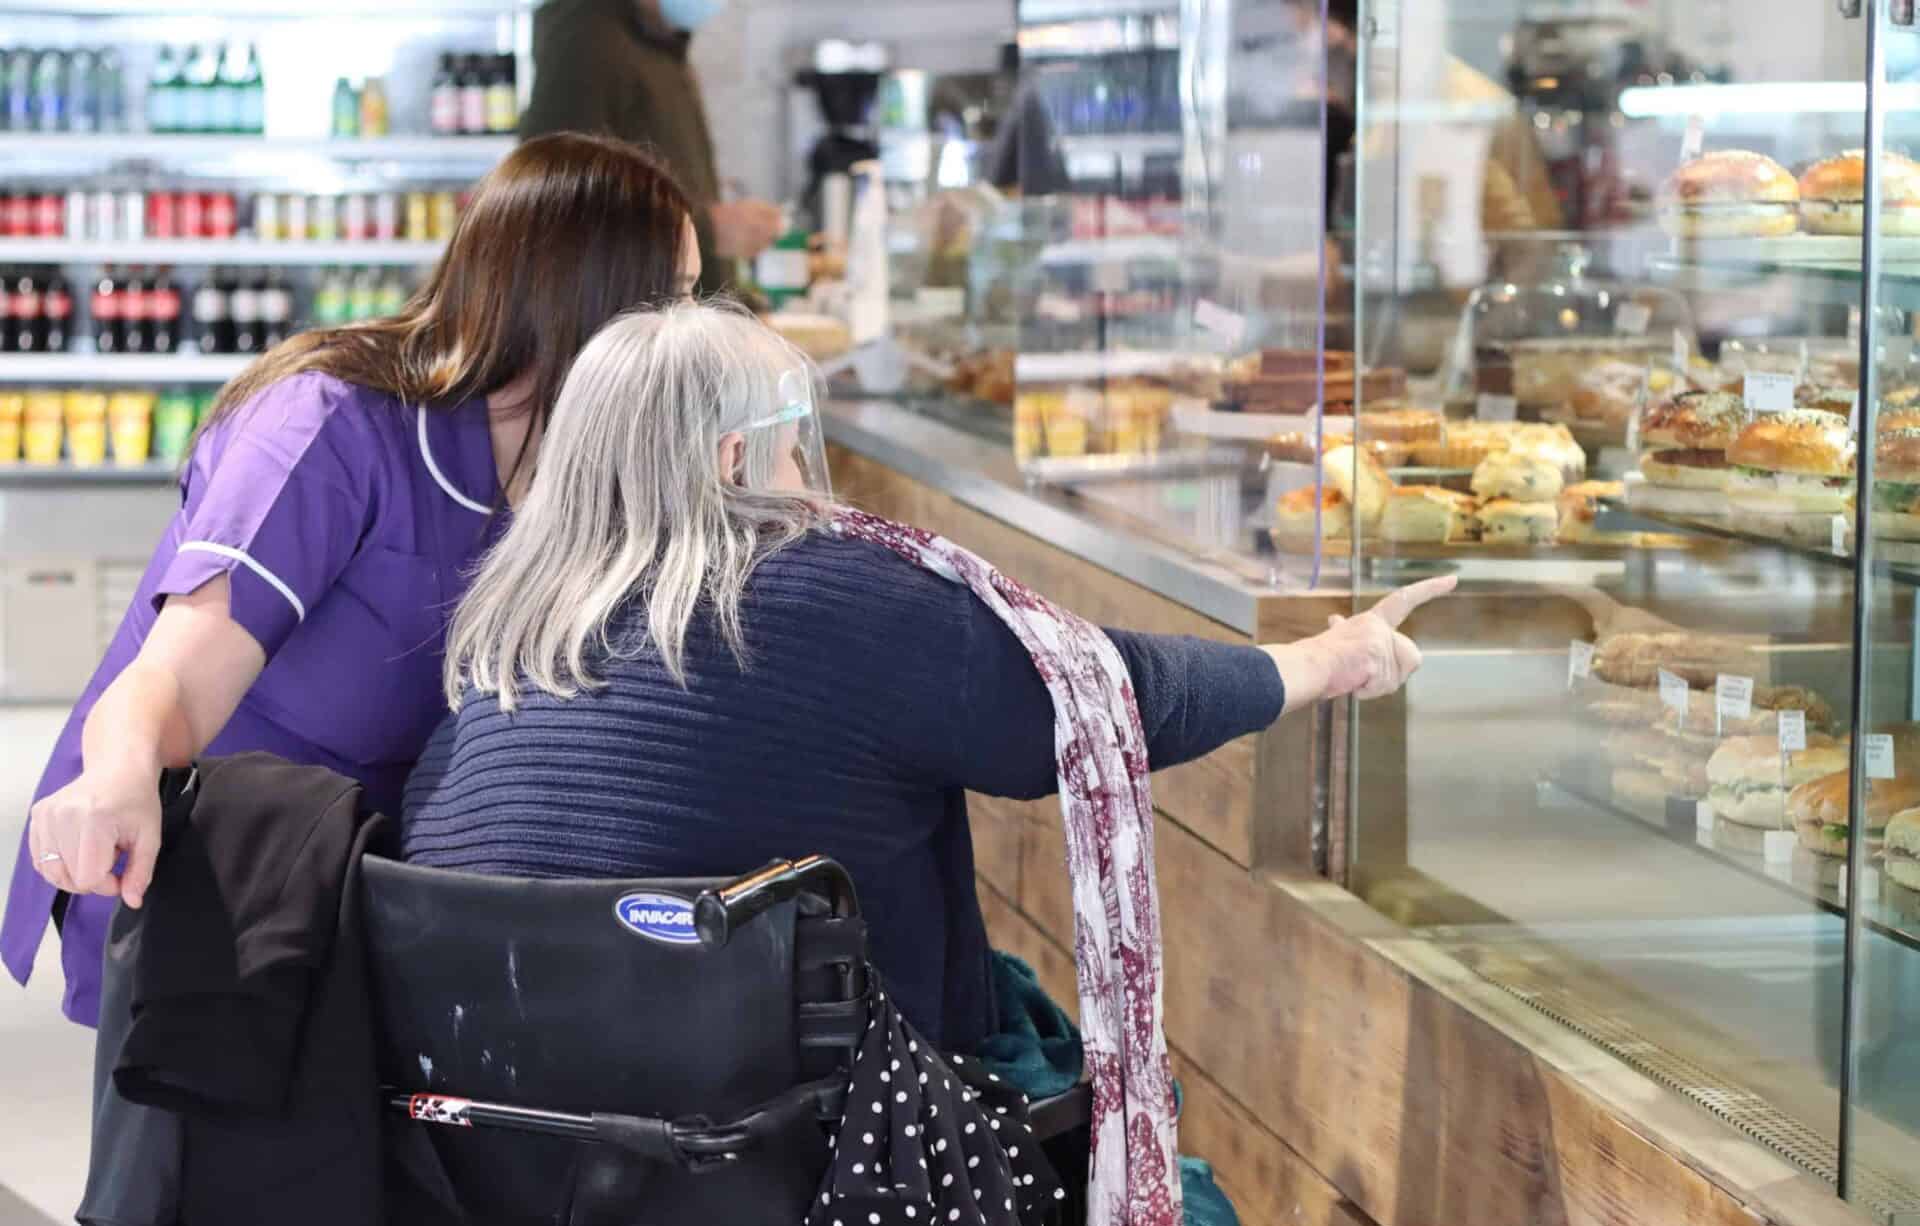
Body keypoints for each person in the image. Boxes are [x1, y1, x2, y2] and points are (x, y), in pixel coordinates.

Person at [403, 300, 1453, 1050]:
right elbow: (1097, 695)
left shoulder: (498, 639)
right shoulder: (829, 597)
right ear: (734, 463)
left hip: (519, 1179)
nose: (812, 474)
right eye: (794, 442)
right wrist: (1328, 657)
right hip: (815, 1172)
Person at [6, 132, 703, 1026]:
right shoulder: (330, 425)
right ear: (594, 300)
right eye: (677, 298)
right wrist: (119, 775)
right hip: (216, 874)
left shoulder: (583, 461)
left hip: (373, 878)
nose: (697, 330)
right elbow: (172, 677)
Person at [520, 0, 783, 296]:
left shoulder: (658, 41)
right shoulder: (585, 34)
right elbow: (557, 197)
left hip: (680, 318)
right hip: (628, 327)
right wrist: (710, 230)